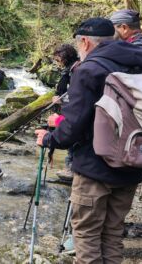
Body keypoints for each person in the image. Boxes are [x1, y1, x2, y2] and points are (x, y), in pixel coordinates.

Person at [35, 17, 142, 263]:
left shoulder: (89, 69)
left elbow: (72, 128)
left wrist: (49, 138)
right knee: (112, 233)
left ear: (86, 43)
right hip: (134, 162)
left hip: (95, 167)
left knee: (87, 235)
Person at [51, 44, 79, 181]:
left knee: (73, 139)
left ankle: (71, 169)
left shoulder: (76, 69)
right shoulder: (71, 68)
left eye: (58, 59)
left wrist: (61, 101)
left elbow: (75, 93)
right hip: (68, 108)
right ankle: (70, 167)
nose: (58, 62)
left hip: (71, 109)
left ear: (64, 56)